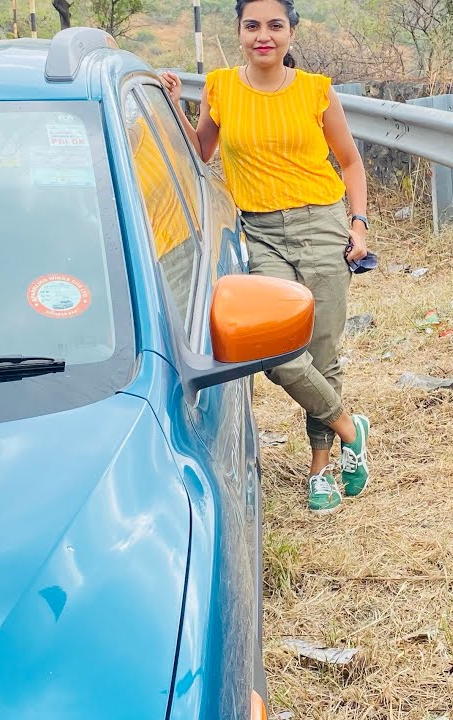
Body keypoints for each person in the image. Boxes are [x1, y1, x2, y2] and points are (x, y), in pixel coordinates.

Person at [161, 0, 372, 516]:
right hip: (259, 232)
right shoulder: (220, 88)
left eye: (275, 25)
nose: (264, 35)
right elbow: (201, 152)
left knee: (322, 351)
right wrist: (172, 106)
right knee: (275, 349)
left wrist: (358, 224)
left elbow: (350, 162)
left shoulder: (316, 90)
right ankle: (350, 427)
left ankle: (320, 470)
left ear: (291, 33)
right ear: (238, 33)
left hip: (322, 224)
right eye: (252, 25)